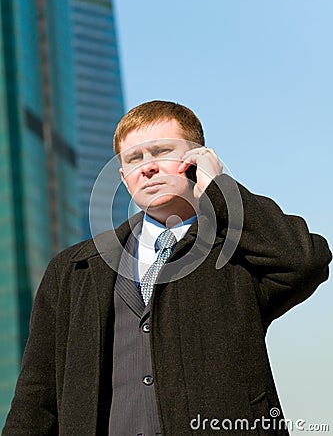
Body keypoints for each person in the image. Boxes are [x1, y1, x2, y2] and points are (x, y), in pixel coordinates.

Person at [3, 100, 331, 436]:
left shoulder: (237, 253)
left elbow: (305, 261)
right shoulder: (74, 269)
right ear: (124, 177)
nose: (147, 167)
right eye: (134, 159)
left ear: (196, 160)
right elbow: (36, 395)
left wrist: (219, 189)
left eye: (161, 152)